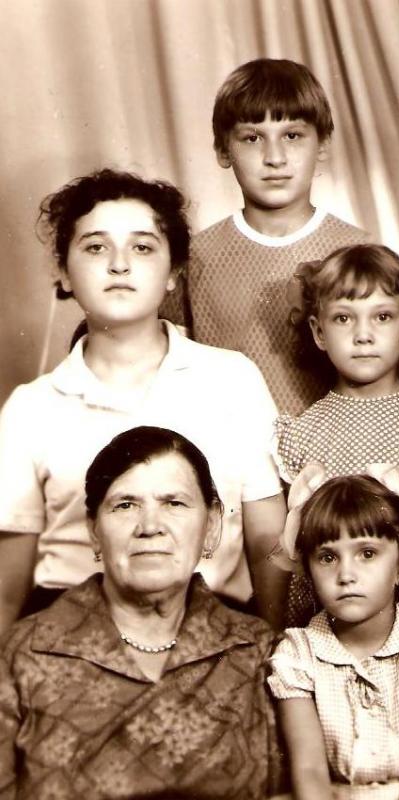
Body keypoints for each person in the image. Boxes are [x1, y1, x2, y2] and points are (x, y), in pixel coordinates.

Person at [0, 170, 287, 633]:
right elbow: (6, 590)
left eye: (142, 247)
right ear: (64, 272)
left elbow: (268, 539)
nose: (119, 265)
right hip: (70, 645)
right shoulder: (31, 408)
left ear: (173, 272)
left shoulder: (233, 380)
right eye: (96, 247)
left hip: (213, 638)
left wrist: (270, 651)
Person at [0, 426, 280, 798]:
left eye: (174, 503)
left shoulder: (259, 653)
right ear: (94, 530)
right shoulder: (23, 653)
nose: (150, 527)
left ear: (212, 525)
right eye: (125, 505)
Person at [161, 58, 373, 415]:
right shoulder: (196, 256)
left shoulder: (358, 251)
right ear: (223, 150)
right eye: (252, 138)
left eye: (292, 136)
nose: (274, 158)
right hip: (225, 444)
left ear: (322, 144)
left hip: (334, 446)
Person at [275, 244, 399, 626]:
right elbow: (295, 550)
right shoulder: (301, 433)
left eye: (382, 317)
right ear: (318, 331)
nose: (363, 335)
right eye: (343, 318)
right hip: (326, 620)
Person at [268, 474, 399, 799]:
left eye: (367, 553)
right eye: (328, 557)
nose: (346, 575)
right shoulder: (297, 654)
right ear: (309, 573)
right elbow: (309, 770)